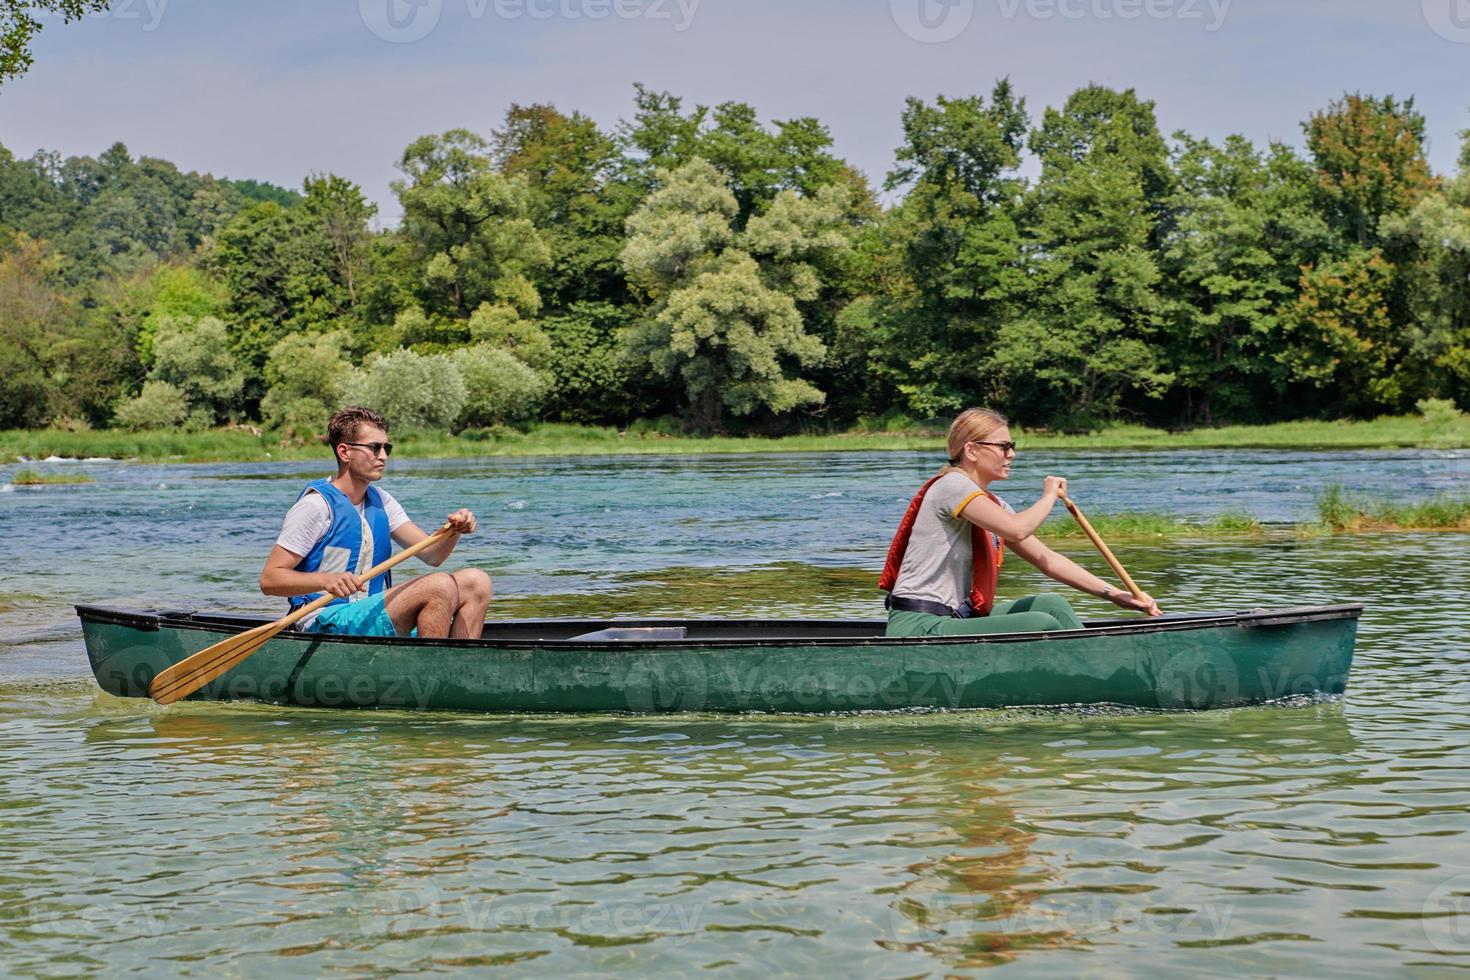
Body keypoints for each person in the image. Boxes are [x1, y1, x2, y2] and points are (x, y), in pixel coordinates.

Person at [880, 408, 1160, 637]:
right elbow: (1017, 528)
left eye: (1011, 446)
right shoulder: (952, 485)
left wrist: (1114, 594)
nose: (1011, 454)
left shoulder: (994, 505)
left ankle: (1098, 662)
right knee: (1041, 624)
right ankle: (1087, 669)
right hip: (920, 626)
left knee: (1051, 605)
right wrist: (1049, 496)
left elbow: (1048, 559)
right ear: (972, 450)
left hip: (953, 619)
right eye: (1003, 447)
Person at [259, 406, 492, 638]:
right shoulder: (316, 506)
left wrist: (454, 531)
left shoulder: (382, 501)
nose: (384, 456)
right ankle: (431, 670)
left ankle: (457, 665)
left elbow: (433, 555)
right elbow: (270, 579)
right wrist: (325, 580)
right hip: (323, 619)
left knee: (476, 582)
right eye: (375, 447)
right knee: (439, 585)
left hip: (367, 615)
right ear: (344, 452)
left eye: (386, 447)